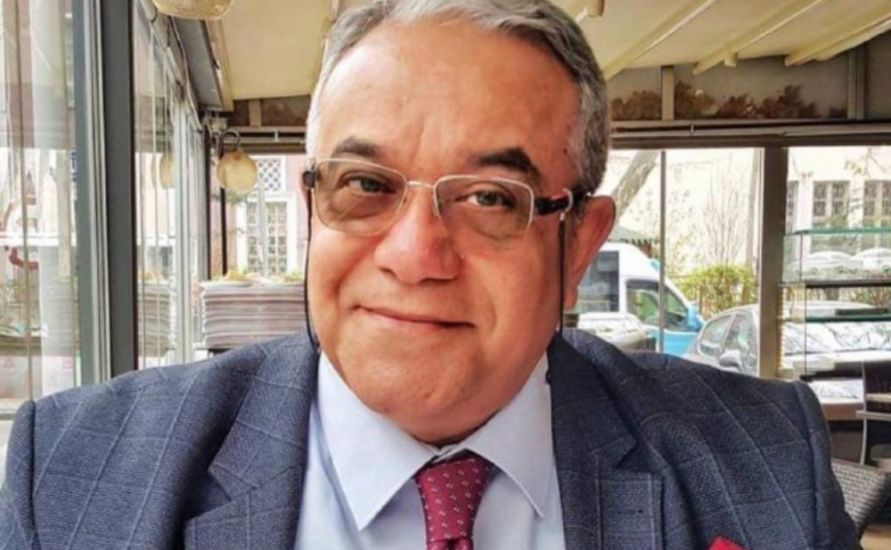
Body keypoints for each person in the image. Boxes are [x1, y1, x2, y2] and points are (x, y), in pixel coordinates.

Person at [0, 0, 857, 548]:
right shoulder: (78, 473)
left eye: (489, 198)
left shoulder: (761, 457)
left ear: (578, 246)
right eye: (365, 185)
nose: (413, 256)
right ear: (313, 208)